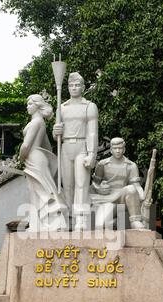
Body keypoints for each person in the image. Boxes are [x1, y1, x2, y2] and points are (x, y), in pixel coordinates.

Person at [53, 72, 98, 230]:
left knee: (81, 184)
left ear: (83, 87)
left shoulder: (89, 106)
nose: (74, 88)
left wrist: (92, 153)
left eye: (77, 85)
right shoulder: (62, 107)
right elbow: (56, 134)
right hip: (66, 147)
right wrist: (55, 130)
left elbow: (92, 131)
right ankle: (69, 218)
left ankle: (81, 219)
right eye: (71, 85)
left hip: (82, 146)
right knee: (68, 185)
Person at [19, 94, 67, 231]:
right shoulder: (41, 123)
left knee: (44, 191)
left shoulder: (36, 122)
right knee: (36, 191)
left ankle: (57, 222)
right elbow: (47, 146)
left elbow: (26, 145)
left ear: (37, 105)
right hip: (37, 158)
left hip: (33, 158)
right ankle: (36, 224)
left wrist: (21, 158)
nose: (27, 106)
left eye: (30, 104)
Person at [90, 137, 145, 229]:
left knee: (131, 189)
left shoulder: (131, 165)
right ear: (111, 150)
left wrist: (143, 195)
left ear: (124, 149)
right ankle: (114, 222)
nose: (118, 151)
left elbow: (136, 185)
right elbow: (94, 184)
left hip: (123, 195)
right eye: (115, 148)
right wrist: (100, 188)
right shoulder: (102, 164)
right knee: (101, 224)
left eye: (120, 148)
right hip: (108, 198)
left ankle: (135, 221)